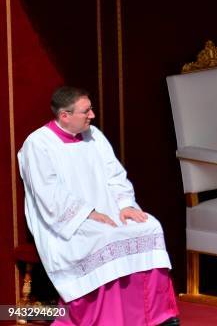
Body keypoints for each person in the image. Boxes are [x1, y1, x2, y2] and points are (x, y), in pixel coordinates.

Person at [18, 86, 179, 326]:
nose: (92, 115)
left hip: (108, 210)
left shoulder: (94, 135)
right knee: (104, 236)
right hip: (67, 222)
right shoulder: (38, 144)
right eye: (86, 111)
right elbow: (48, 194)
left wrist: (125, 205)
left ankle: (155, 315)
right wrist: (88, 213)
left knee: (149, 226)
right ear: (64, 116)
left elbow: (115, 175)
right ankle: (109, 319)